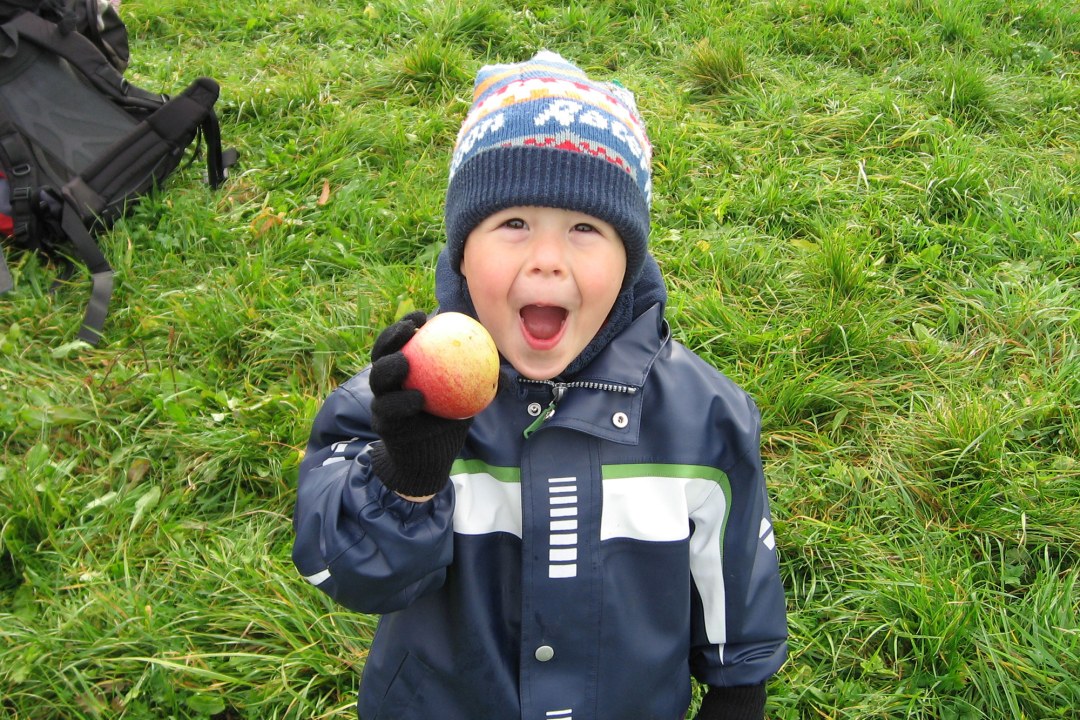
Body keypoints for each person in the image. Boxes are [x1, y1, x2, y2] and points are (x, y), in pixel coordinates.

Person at [292, 50, 788, 720]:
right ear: (462, 254)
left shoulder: (703, 417)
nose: (547, 260)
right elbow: (343, 570)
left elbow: (734, 569)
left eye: (585, 228)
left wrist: (738, 688)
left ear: (630, 260)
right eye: (513, 225)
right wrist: (407, 474)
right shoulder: (396, 407)